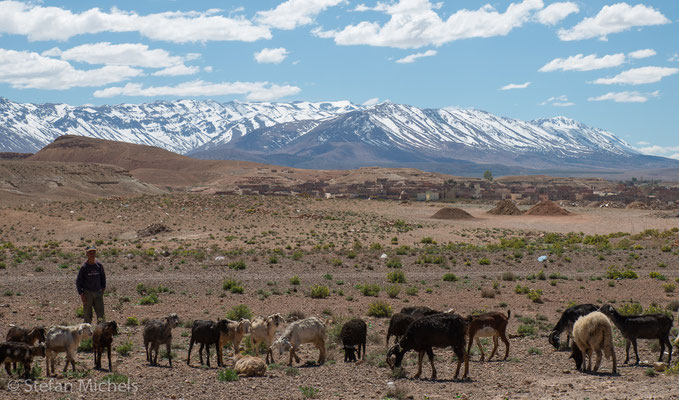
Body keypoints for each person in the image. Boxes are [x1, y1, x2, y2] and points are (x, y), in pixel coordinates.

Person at [75, 245, 106, 323]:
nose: (92, 254)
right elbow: (78, 281)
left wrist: (103, 289)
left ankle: (100, 333)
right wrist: (81, 294)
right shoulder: (84, 267)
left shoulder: (99, 265)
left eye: (93, 252)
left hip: (98, 293)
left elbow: (103, 278)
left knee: (101, 316)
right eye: (90, 253)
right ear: (87, 254)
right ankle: (87, 334)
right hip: (87, 294)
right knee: (87, 316)